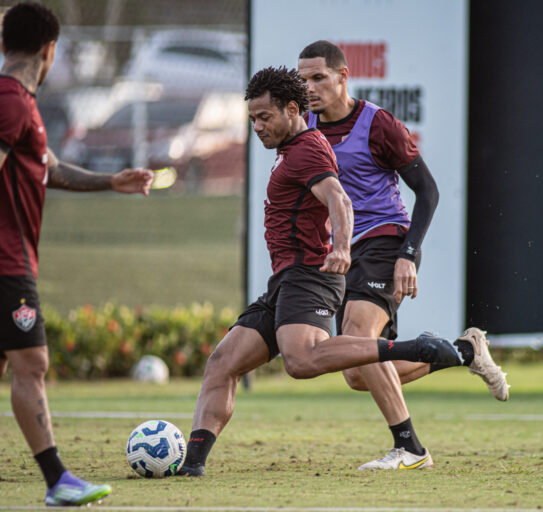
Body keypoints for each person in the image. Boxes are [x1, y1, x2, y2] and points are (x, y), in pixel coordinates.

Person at [177, 66, 502, 476]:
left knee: (302, 360)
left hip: (311, 276)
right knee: (223, 362)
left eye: (265, 117)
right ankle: (191, 466)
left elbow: (340, 200)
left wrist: (344, 248)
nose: (257, 127)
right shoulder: (292, 147)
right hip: (285, 280)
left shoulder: (308, 148)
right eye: (252, 119)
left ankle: (414, 369)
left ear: (292, 110)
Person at [297, 40, 510, 470]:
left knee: (358, 337)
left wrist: (408, 254)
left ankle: (410, 449)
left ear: (343, 76)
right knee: (357, 371)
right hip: (344, 252)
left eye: (318, 78)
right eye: (303, 80)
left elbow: (428, 190)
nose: (310, 88)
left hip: (385, 240)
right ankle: (464, 352)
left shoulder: (378, 125)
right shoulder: (304, 126)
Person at [0, 2, 153, 506]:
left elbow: (49, 168)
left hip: (12, 259)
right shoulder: (11, 101)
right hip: (5, 263)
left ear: (6, 44)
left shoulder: (18, 102)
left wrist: (111, 180)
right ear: (51, 50)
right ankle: (58, 480)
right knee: (32, 362)